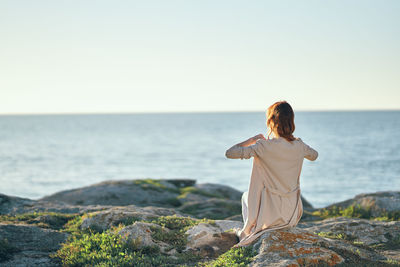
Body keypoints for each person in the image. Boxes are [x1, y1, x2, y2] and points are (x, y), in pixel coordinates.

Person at [225, 101, 318, 247]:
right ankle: (249, 230)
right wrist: (298, 144)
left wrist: (252, 140)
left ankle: (246, 231)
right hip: (291, 214)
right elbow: (314, 155)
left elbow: (230, 153)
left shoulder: (263, 146)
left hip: (268, 215)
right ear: (291, 121)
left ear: (270, 122)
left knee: (245, 196)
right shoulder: (300, 146)